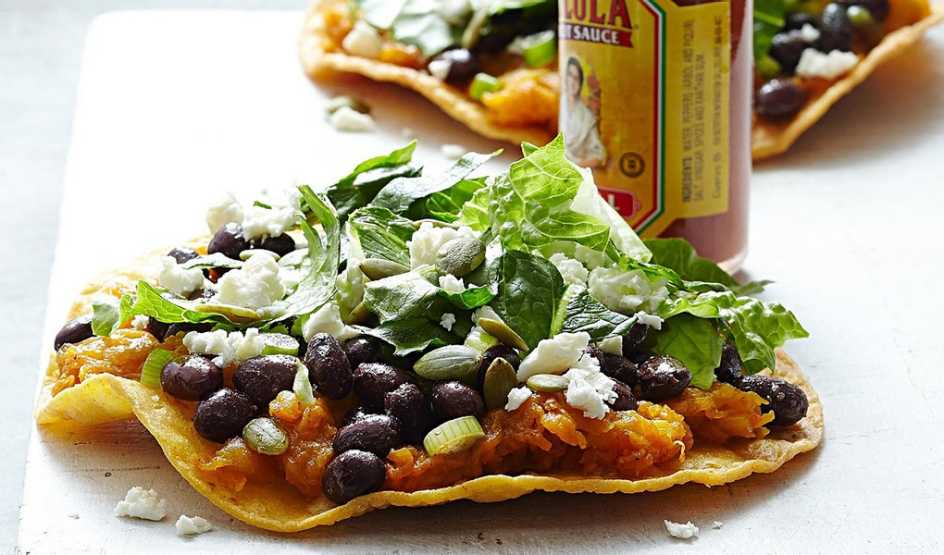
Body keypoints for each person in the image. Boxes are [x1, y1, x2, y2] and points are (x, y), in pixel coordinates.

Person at [562, 56, 607, 167]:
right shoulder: (561, 103)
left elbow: (599, 154)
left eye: (576, 78)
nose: (572, 81)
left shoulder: (587, 116)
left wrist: (575, 167)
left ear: (580, 83)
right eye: (570, 76)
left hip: (577, 170)